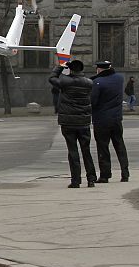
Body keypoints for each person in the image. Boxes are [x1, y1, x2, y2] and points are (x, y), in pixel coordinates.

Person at [48, 60, 97, 188]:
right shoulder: (89, 83)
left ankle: (76, 180)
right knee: (86, 151)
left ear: (71, 69)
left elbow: (52, 78)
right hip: (84, 121)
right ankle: (91, 179)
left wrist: (60, 67)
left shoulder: (65, 82)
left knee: (72, 151)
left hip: (68, 122)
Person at [90, 61, 130, 183]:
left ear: (99, 69)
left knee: (103, 147)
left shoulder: (97, 83)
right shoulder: (119, 78)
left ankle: (105, 175)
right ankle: (125, 173)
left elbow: (93, 101)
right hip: (117, 118)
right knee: (120, 145)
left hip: (102, 120)